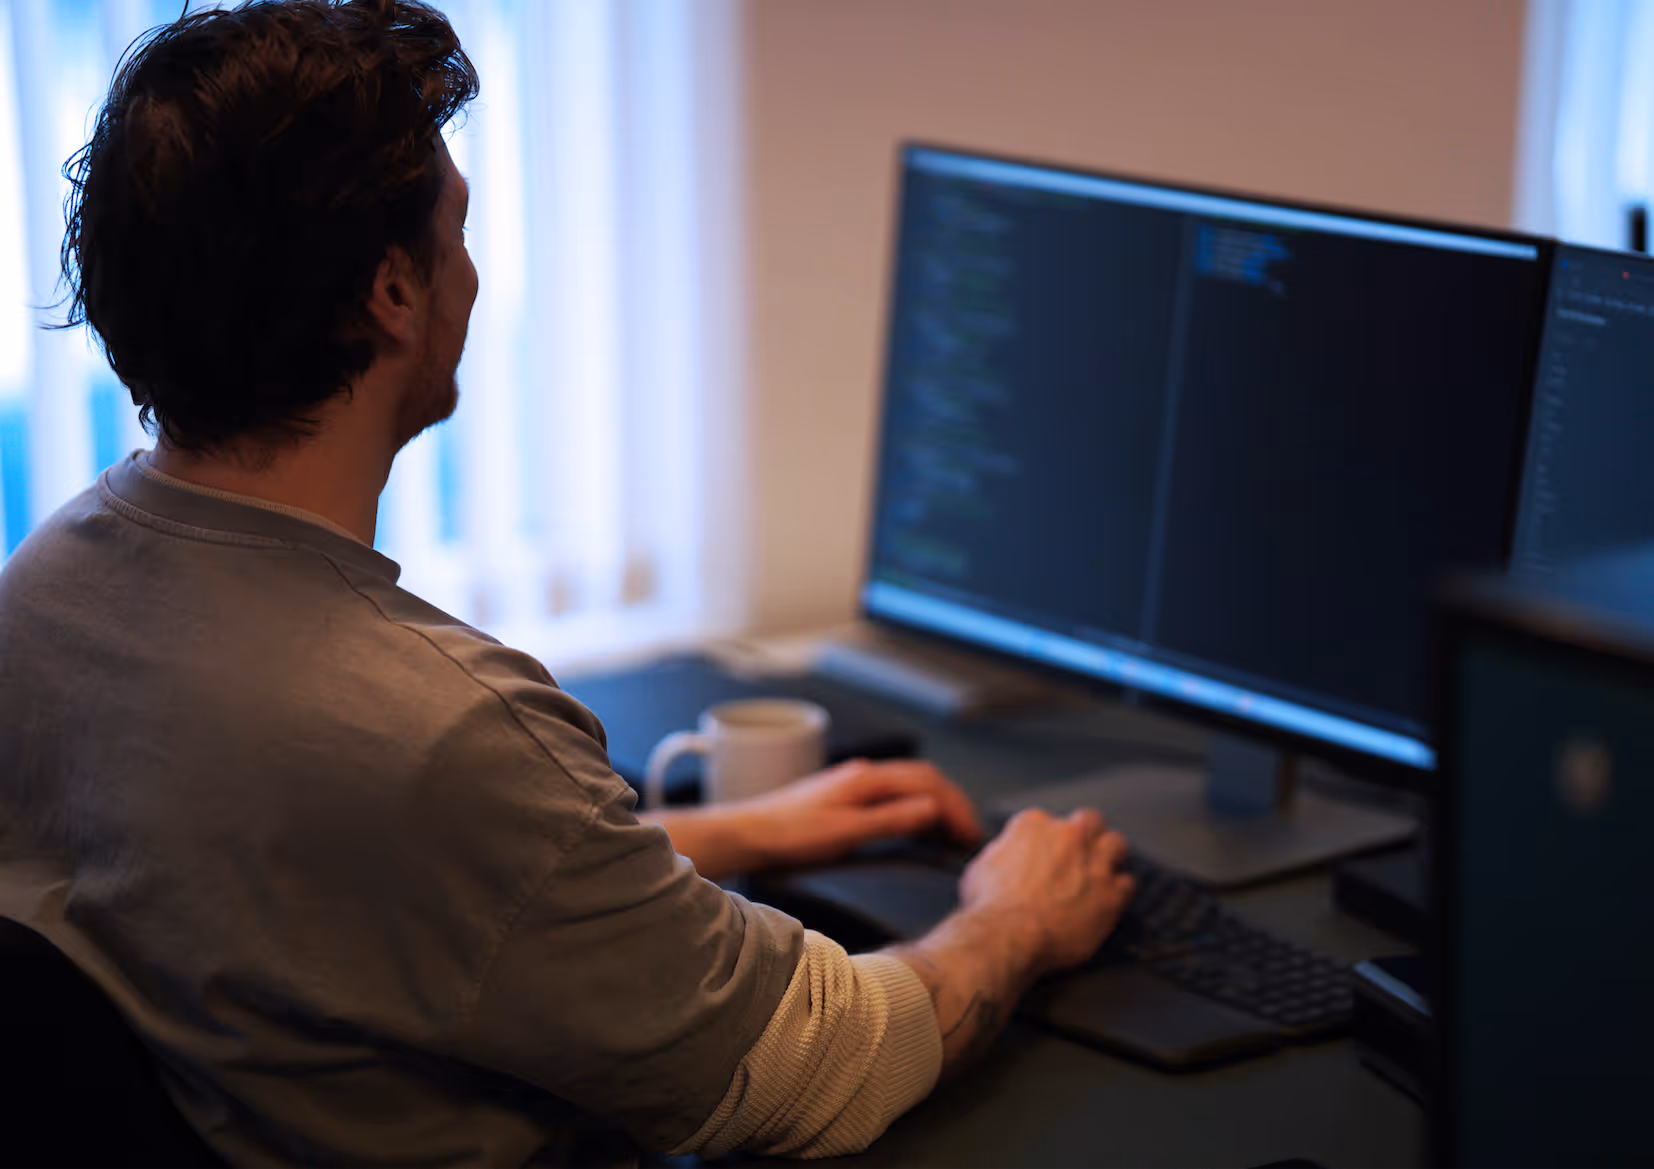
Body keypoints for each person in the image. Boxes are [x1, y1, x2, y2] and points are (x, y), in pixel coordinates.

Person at [0, 2, 1135, 1165]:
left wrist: (720, 832)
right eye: (457, 229)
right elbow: (822, 1068)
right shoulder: (437, 729)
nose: (473, 274)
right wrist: (1017, 915)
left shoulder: (41, 597)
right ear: (392, 292)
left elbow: (318, 890)